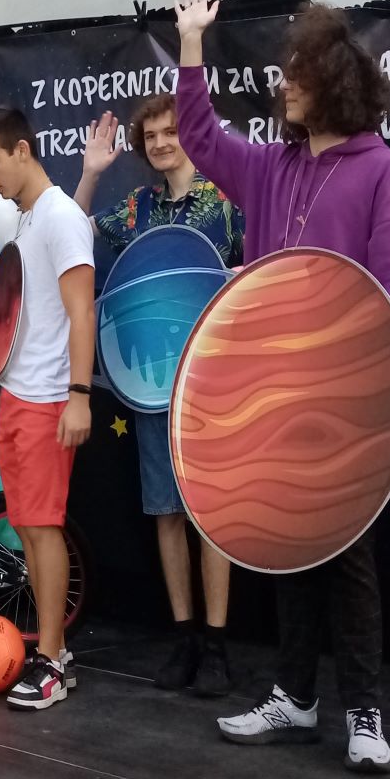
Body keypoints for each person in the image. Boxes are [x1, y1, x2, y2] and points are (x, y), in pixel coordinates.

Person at [173, 0, 390, 773]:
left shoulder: (379, 170)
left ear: (334, 83)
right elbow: (199, 134)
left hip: (345, 396)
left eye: (298, 73)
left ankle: (363, 709)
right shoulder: (270, 166)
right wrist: (191, 43)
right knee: (285, 540)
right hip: (274, 393)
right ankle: (294, 696)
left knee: (348, 554)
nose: (283, 83)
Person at [73, 93, 244, 697]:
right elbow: (73, 231)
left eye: (170, 131)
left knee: (210, 514)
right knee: (167, 512)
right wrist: (91, 174)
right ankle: (185, 637)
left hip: (213, 382)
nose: (162, 143)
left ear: (189, 133)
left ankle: (217, 646)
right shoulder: (137, 208)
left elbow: (260, 271)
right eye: (151, 137)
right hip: (151, 385)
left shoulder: (227, 202)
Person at [0, 107, 95, 710]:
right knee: (25, 526)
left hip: (49, 399)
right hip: (19, 393)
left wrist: (79, 395)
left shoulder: (61, 217)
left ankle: (51, 660)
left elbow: (81, 311)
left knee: (43, 529)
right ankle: (52, 652)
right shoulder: (28, 220)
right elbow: (22, 311)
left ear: (23, 150)